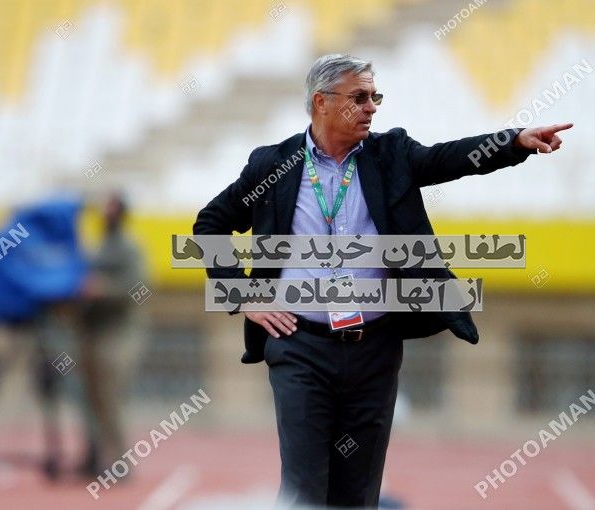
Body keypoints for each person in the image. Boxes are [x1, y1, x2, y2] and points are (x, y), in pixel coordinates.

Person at [193, 54, 572, 508]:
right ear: (321, 102)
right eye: (359, 97)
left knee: (358, 493)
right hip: (299, 347)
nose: (371, 107)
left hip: (374, 349)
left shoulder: (391, 154)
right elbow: (210, 224)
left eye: (375, 97)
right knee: (303, 490)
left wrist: (515, 142)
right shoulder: (272, 165)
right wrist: (244, 295)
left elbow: (449, 159)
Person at [78, 192, 146, 475]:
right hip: (91, 333)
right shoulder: (97, 247)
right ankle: (93, 458)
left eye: (110, 207)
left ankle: (120, 463)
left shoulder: (129, 248)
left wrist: (103, 289)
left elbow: (139, 288)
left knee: (110, 399)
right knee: (90, 399)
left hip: (117, 335)